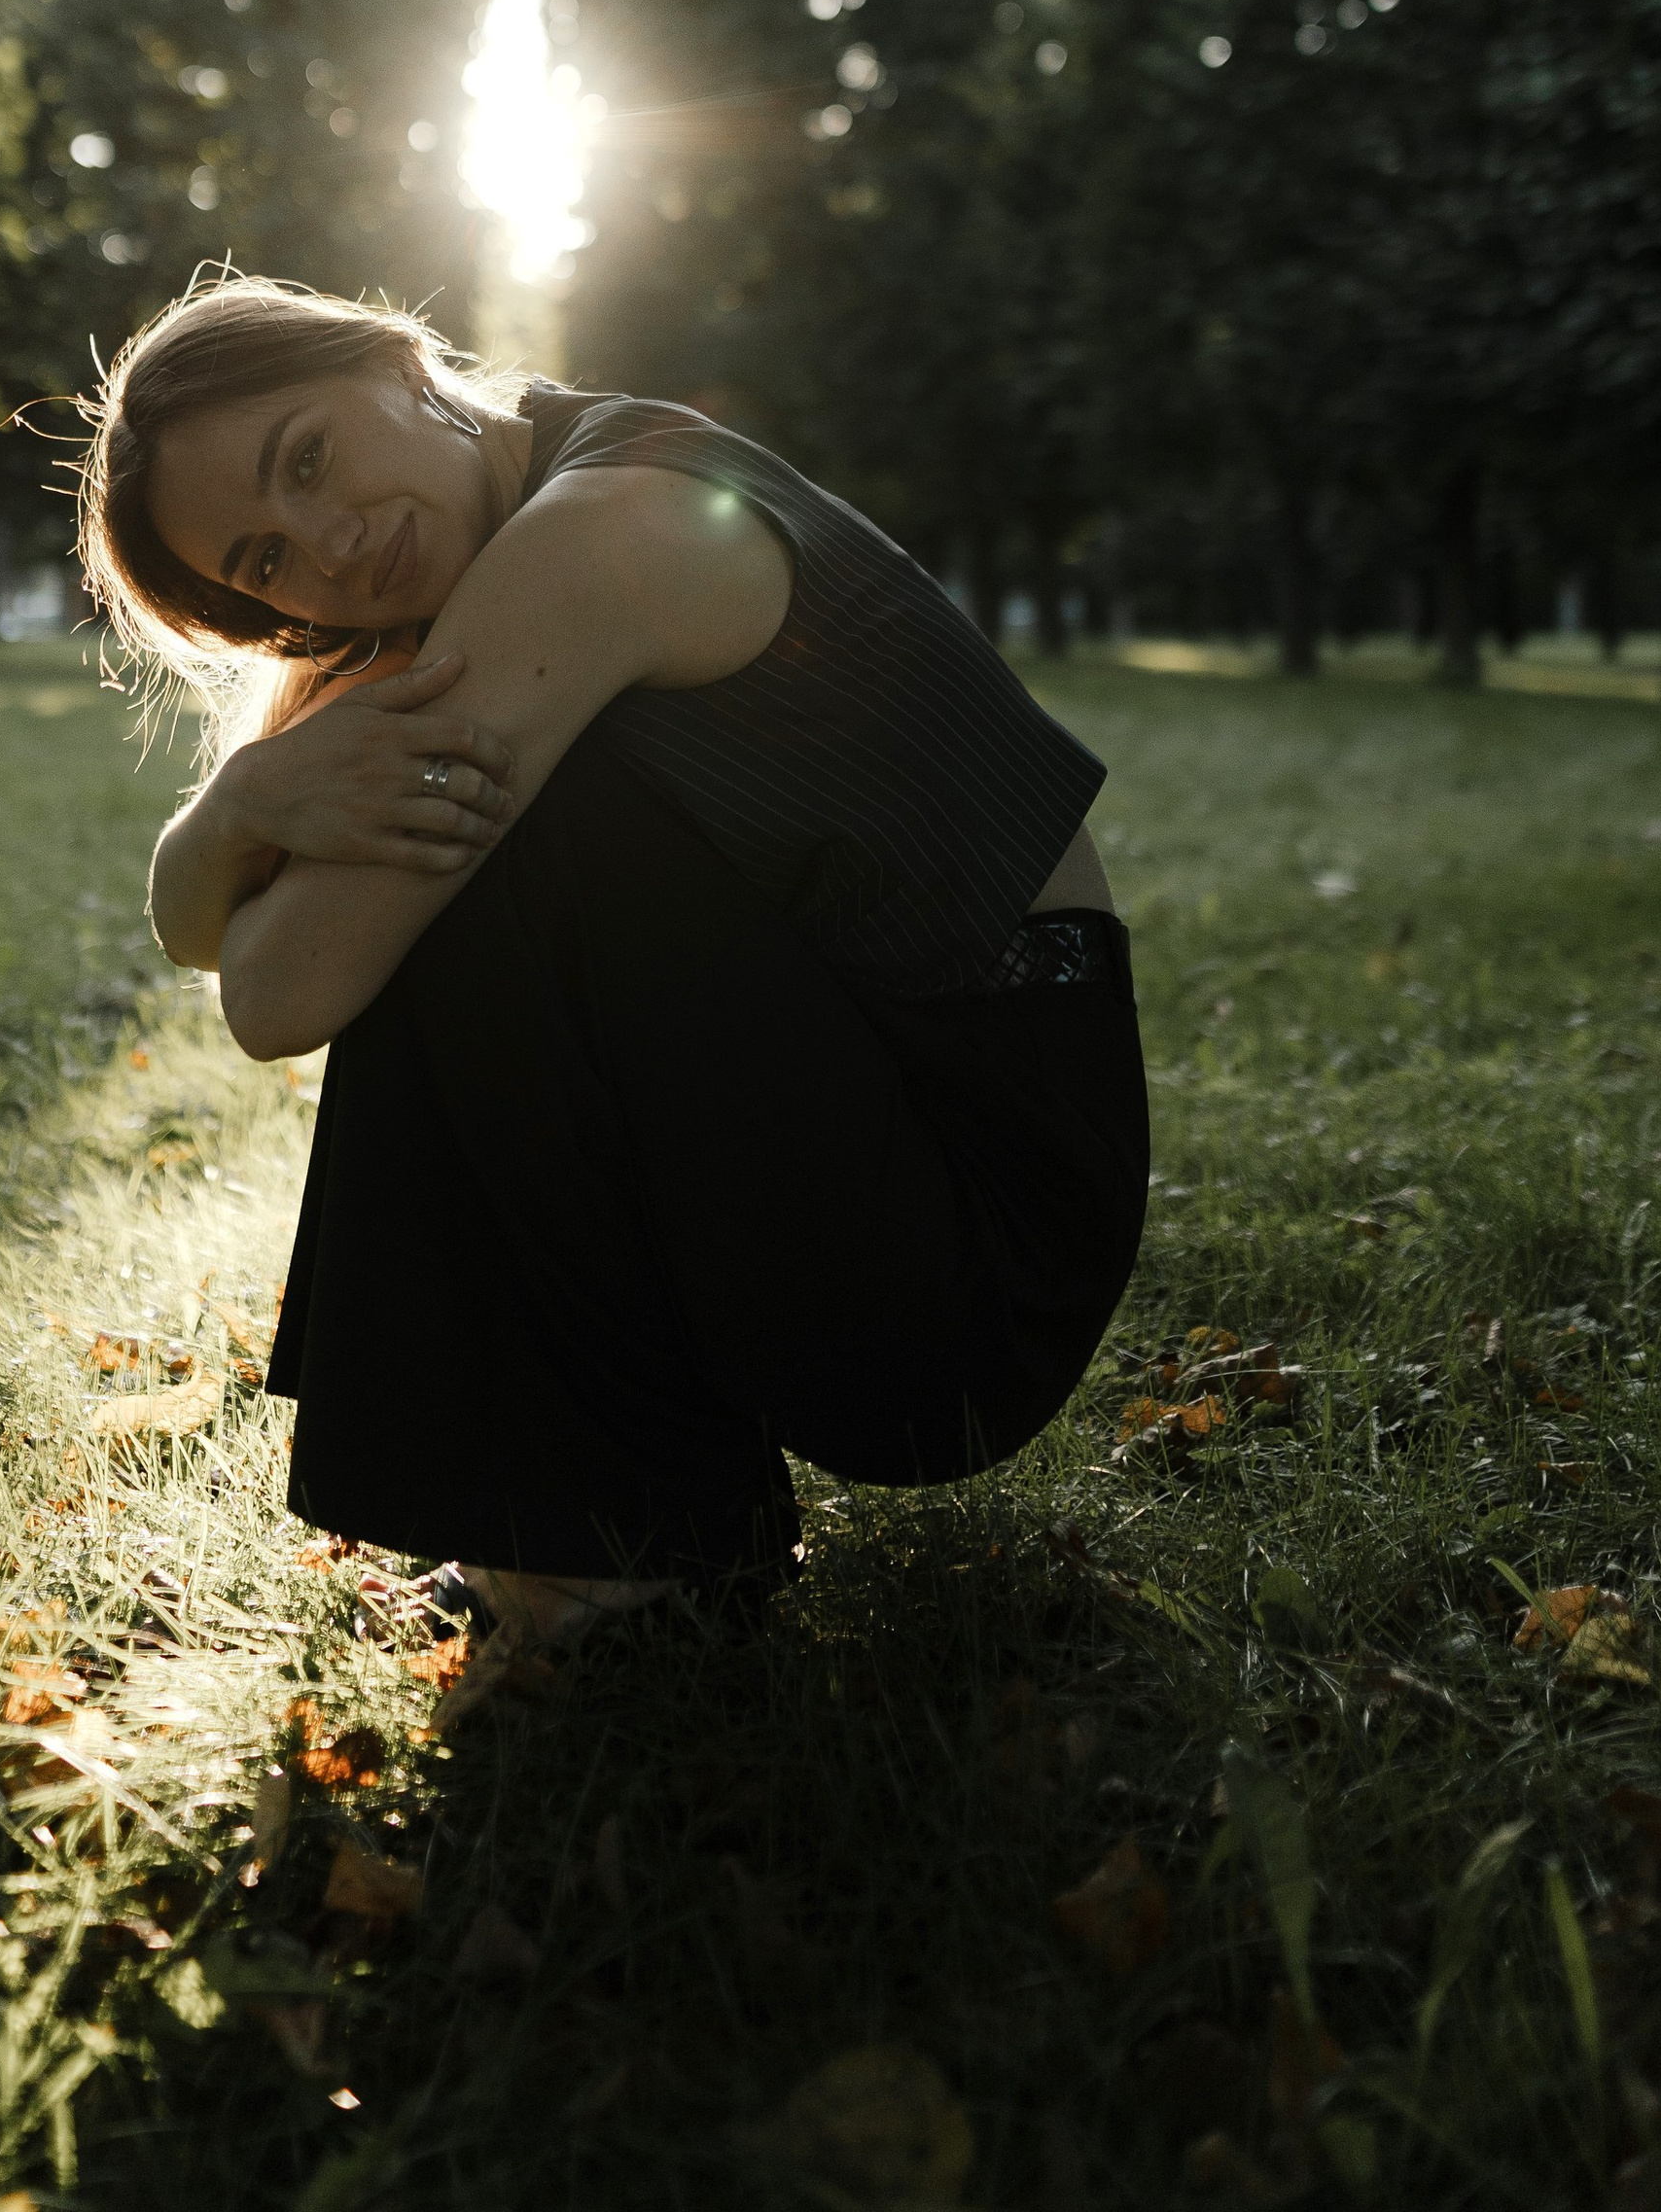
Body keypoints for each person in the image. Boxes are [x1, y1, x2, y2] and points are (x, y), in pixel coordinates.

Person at [79, 269, 1147, 1644]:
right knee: (465, 838)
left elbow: (279, 990)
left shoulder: (599, 531)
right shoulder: (513, 522)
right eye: (268, 561)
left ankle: (614, 1552)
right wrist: (238, 808)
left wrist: (256, 827)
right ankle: (628, 1526)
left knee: (475, 850)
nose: (331, 544)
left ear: (401, 363)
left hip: (983, 1248)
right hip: (903, 1179)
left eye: (309, 456)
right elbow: (207, 926)